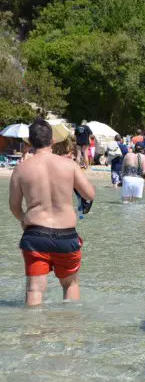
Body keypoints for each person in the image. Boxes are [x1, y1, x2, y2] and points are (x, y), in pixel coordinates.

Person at [9, 119, 96, 306]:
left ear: (30, 142)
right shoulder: (68, 165)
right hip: (66, 236)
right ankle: (69, 331)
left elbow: (14, 206)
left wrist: (24, 219)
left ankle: (33, 332)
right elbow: (89, 194)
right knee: (70, 284)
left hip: (35, 235)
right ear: (53, 141)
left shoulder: (21, 169)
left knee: (34, 288)